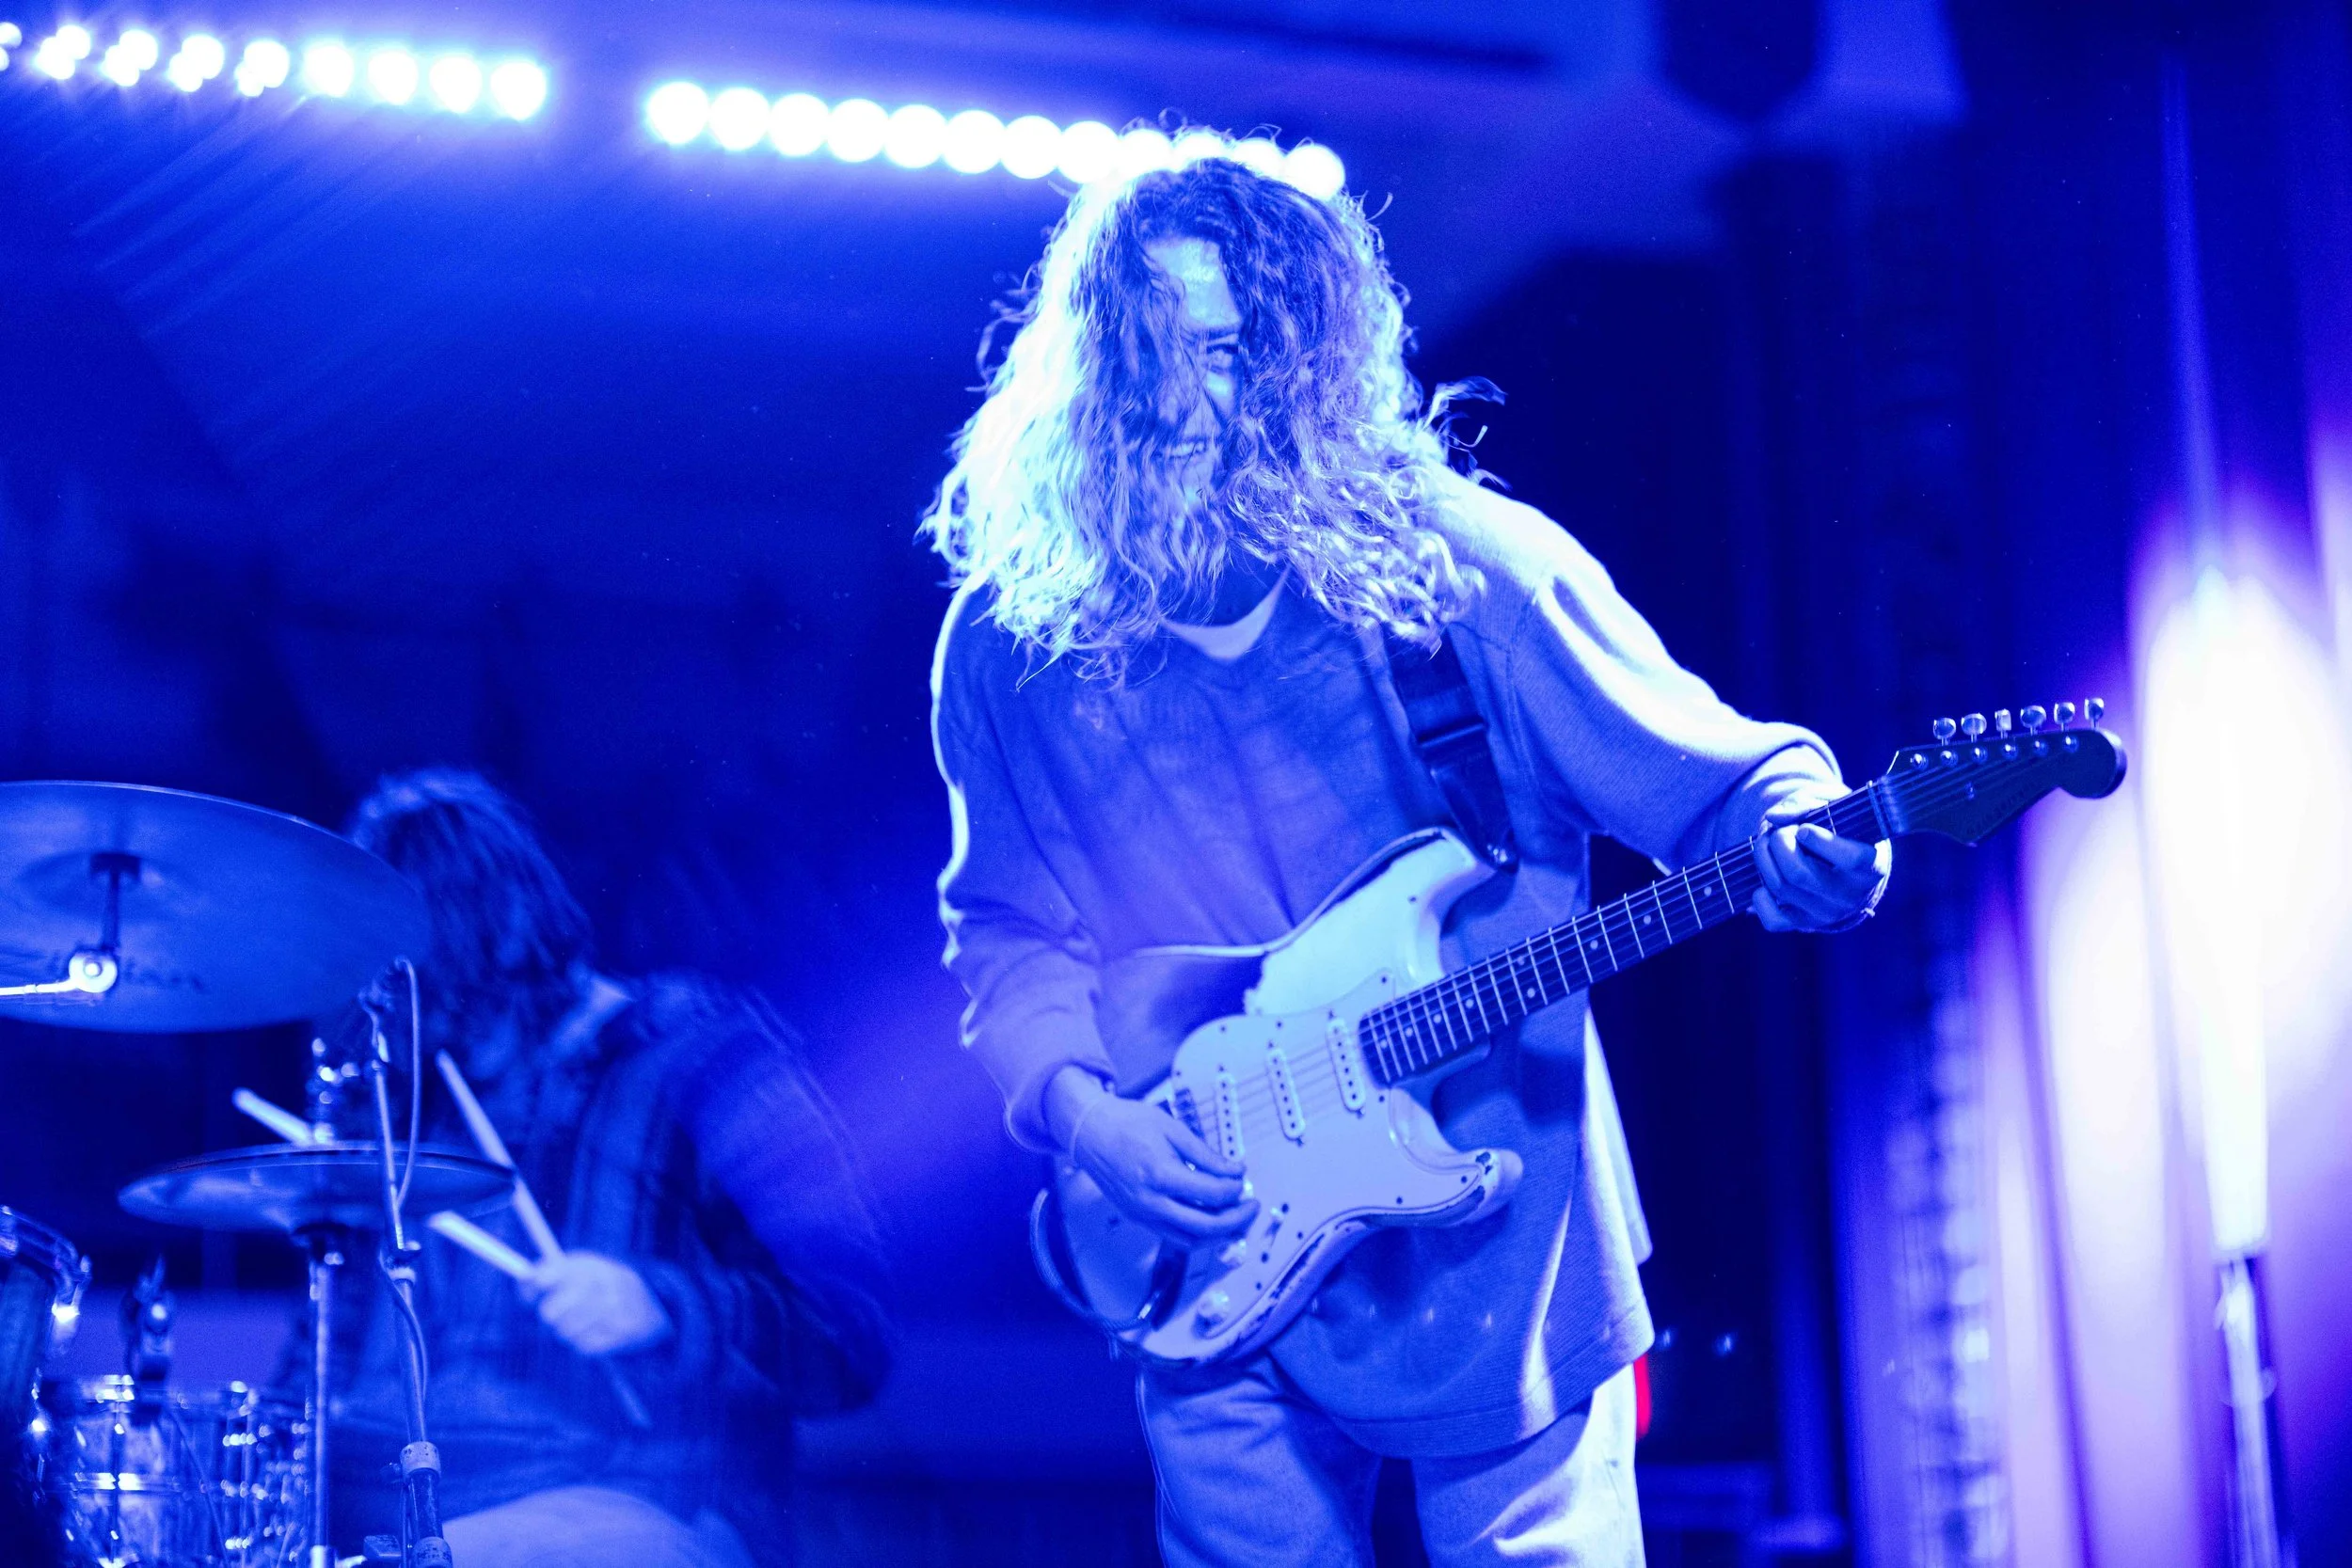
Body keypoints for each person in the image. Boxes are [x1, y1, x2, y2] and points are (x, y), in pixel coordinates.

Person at [923, 152, 1888, 1566]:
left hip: (1496, 1243)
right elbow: (1005, 927)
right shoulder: (1015, 647)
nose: (1190, 401)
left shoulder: (1462, 577)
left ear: (1309, 368)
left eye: (1234, 353)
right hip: (1210, 1232)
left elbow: (1737, 775)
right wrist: (1084, 1113)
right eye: (1152, 354)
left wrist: (1803, 833)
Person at [322, 770, 890, 1568]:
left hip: (643, 1504)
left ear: (515, 928)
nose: (465, 1055)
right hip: (405, 1511)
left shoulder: (704, 1061)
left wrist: (663, 1306)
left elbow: (851, 1329)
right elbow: (324, 1362)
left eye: (468, 1001)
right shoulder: (407, 1106)